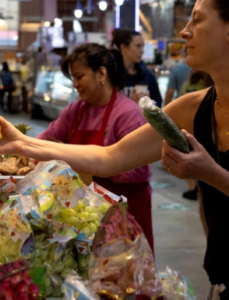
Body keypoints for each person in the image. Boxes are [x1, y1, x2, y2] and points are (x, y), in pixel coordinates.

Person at [0, 0, 229, 299]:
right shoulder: (193, 107)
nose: (185, 32)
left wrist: (210, 174)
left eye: (197, 20)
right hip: (226, 284)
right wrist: (23, 144)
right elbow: (110, 157)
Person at [37, 43, 154, 251]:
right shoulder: (77, 110)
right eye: (72, 77)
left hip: (125, 216)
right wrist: (22, 149)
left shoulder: (128, 114)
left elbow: (140, 169)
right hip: (86, 215)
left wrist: (90, 169)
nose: (74, 84)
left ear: (101, 74)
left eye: (79, 76)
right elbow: (46, 139)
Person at [179, 69, 214, 201]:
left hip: (190, 127)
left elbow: (181, 100)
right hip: (208, 128)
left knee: (189, 157)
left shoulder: (189, 83)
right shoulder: (211, 84)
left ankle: (192, 188)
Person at [112, 29, 162, 107]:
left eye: (143, 46)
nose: (142, 51)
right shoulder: (112, 76)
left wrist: (149, 105)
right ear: (123, 47)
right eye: (138, 46)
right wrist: (130, 104)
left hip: (143, 119)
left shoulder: (148, 76)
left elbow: (158, 104)